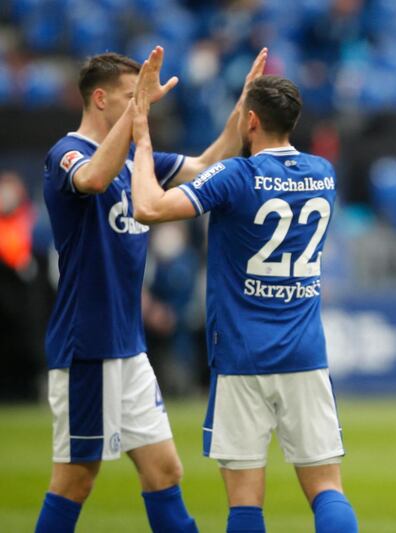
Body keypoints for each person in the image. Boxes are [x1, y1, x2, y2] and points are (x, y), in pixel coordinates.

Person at [36, 45, 266, 533]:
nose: (141, 104)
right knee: (76, 480)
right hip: (87, 346)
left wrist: (244, 107)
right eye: (129, 96)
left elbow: (207, 163)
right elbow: (93, 180)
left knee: (164, 471)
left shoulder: (137, 162)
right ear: (100, 99)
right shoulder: (68, 154)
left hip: (129, 347)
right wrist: (140, 112)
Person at [129, 55, 358, 533]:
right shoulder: (323, 173)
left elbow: (149, 206)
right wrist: (246, 111)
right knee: (326, 488)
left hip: (241, 355)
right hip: (305, 353)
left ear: (250, 120)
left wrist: (142, 138)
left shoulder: (236, 177)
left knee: (245, 504)